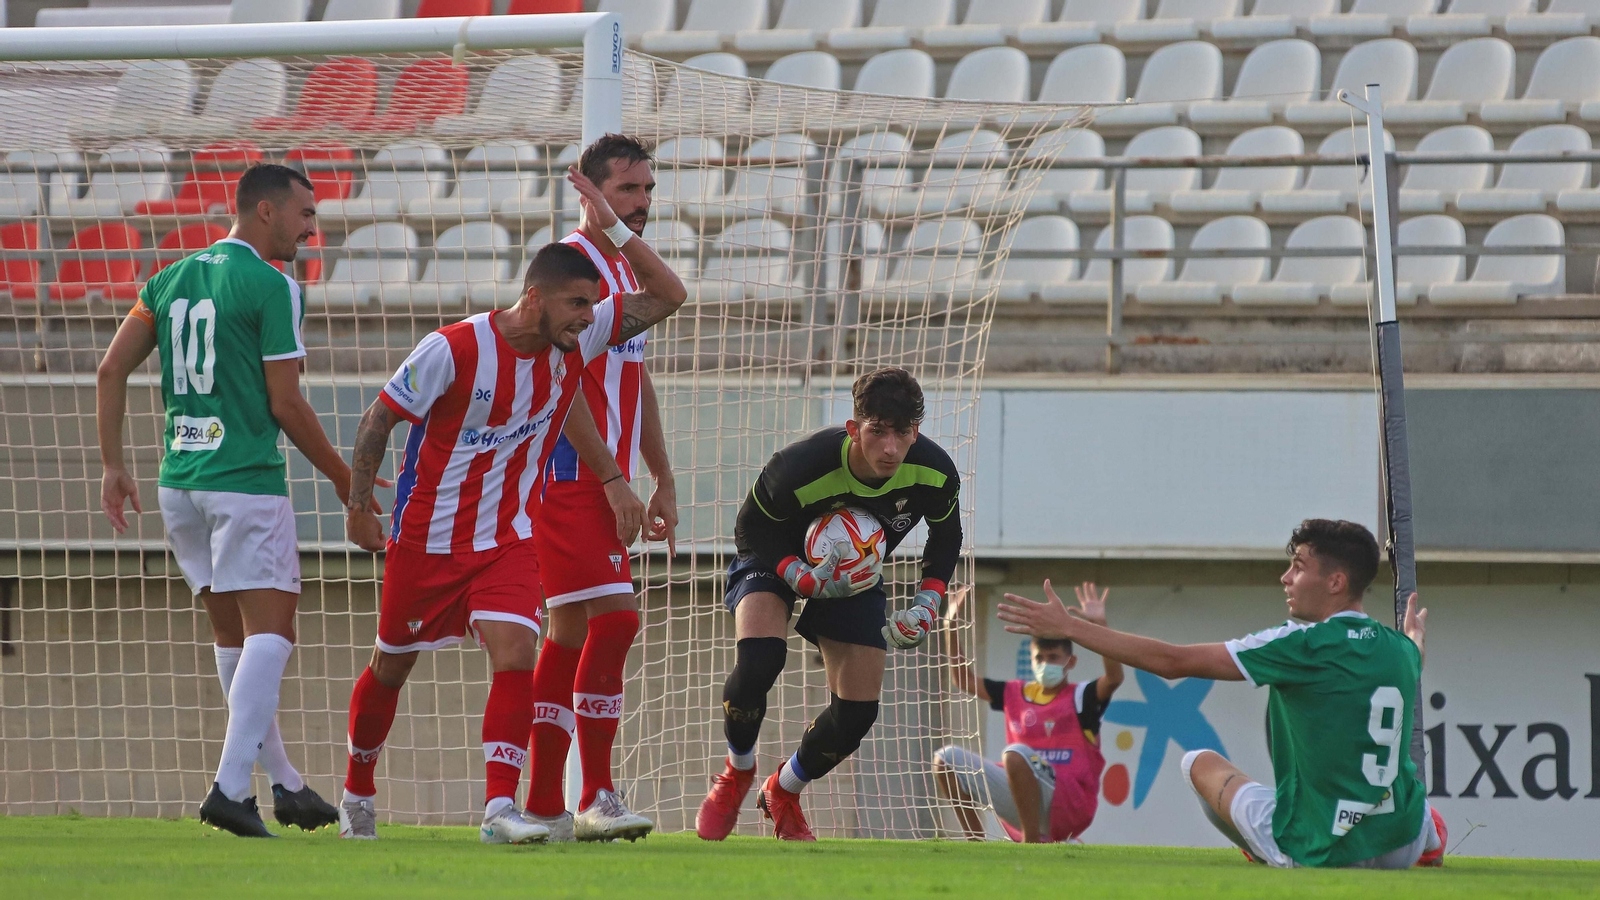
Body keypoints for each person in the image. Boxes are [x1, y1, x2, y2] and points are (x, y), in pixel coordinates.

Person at [335, 165, 687, 844]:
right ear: (536, 299)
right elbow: (379, 420)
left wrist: (614, 229)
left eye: (594, 308)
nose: (591, 319)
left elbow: (668, 294)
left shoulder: (575, 340)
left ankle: (501, 809)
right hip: (428, 539)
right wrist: (358, 505)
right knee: (391, 667)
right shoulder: (454, 348)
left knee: (517, 655)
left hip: (508, 538)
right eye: (578, 306)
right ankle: (357, 788)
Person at [96, 163, 357, 837]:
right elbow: (286, 402)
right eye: (305, 214)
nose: (311, 227)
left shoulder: (170, 276)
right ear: (265, 211)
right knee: (273, 632)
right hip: (243, 479)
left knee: (234, 637)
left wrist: (111, 466)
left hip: (178, 483)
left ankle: (289, 786)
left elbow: (110, 368)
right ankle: (228, 787)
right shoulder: (273, 284)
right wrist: (341, 474)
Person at [996, 519, 1447, 869]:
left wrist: (1071, 628)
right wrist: (1414, 643)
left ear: (1336, 582)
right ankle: (1430, 838)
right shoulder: (1401, 650)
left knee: (1198, 764)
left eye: (1298, 567)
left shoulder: (1300, 642)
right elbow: (1411, 659)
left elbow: (1172, 662)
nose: (1285, 577)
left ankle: (1266, 850)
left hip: (1327, 848)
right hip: (1399, 842)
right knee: (1404, 793)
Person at [696, 367, 962, 841]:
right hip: (774, 553)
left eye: (902, 434)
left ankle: (784, 788)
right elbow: (751, 527)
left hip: (853, 574)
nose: (889, 448)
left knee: (857, 715)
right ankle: (738, 771)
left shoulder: (935, 472)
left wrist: (926, 604)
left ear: (916, 432)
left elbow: (946, 536)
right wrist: (796, 573)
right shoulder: (799, 466)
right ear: (854, 428)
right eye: (877, 432)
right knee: (760, 659)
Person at [526, 134, 681, 843]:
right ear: (589, 194)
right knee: (614, 620)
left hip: (605, 477)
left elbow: (632, 376)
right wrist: (614, 479)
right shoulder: (574, 270)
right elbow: (562, 387)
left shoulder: (622, 275)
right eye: (627, 191)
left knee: (571, 630)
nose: (643, 203)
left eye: (648, 190)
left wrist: (661, 477)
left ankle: (546, 802)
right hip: (568, 470)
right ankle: (591, 794)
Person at [934, 582, 1123, 843]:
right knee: (946, 760)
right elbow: (963, 680)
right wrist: (949, 625)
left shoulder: (1082, 697)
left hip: (1069, 803)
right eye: (1039, 658)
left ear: (1071, 662)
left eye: (1053, 657)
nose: (1046, 664)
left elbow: (1114, 678)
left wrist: (1099, 627)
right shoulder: (1015, 693)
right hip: (1023, 800)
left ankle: (1031, 845)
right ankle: (976, 843)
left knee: (1016, 753)